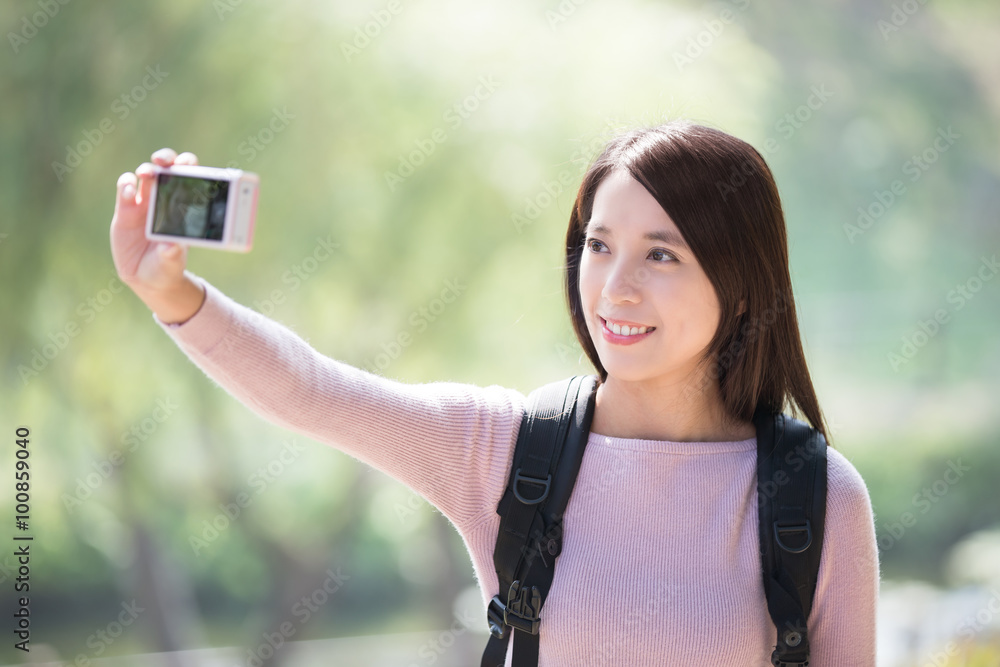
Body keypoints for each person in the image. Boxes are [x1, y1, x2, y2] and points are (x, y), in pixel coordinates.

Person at [109, 120, 879, 665]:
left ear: (743, 288)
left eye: (662, 255)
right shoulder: (508, 451)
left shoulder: (812, 497)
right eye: (600, 245)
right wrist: (173, 297)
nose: (614, 288)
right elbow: (314, 391)